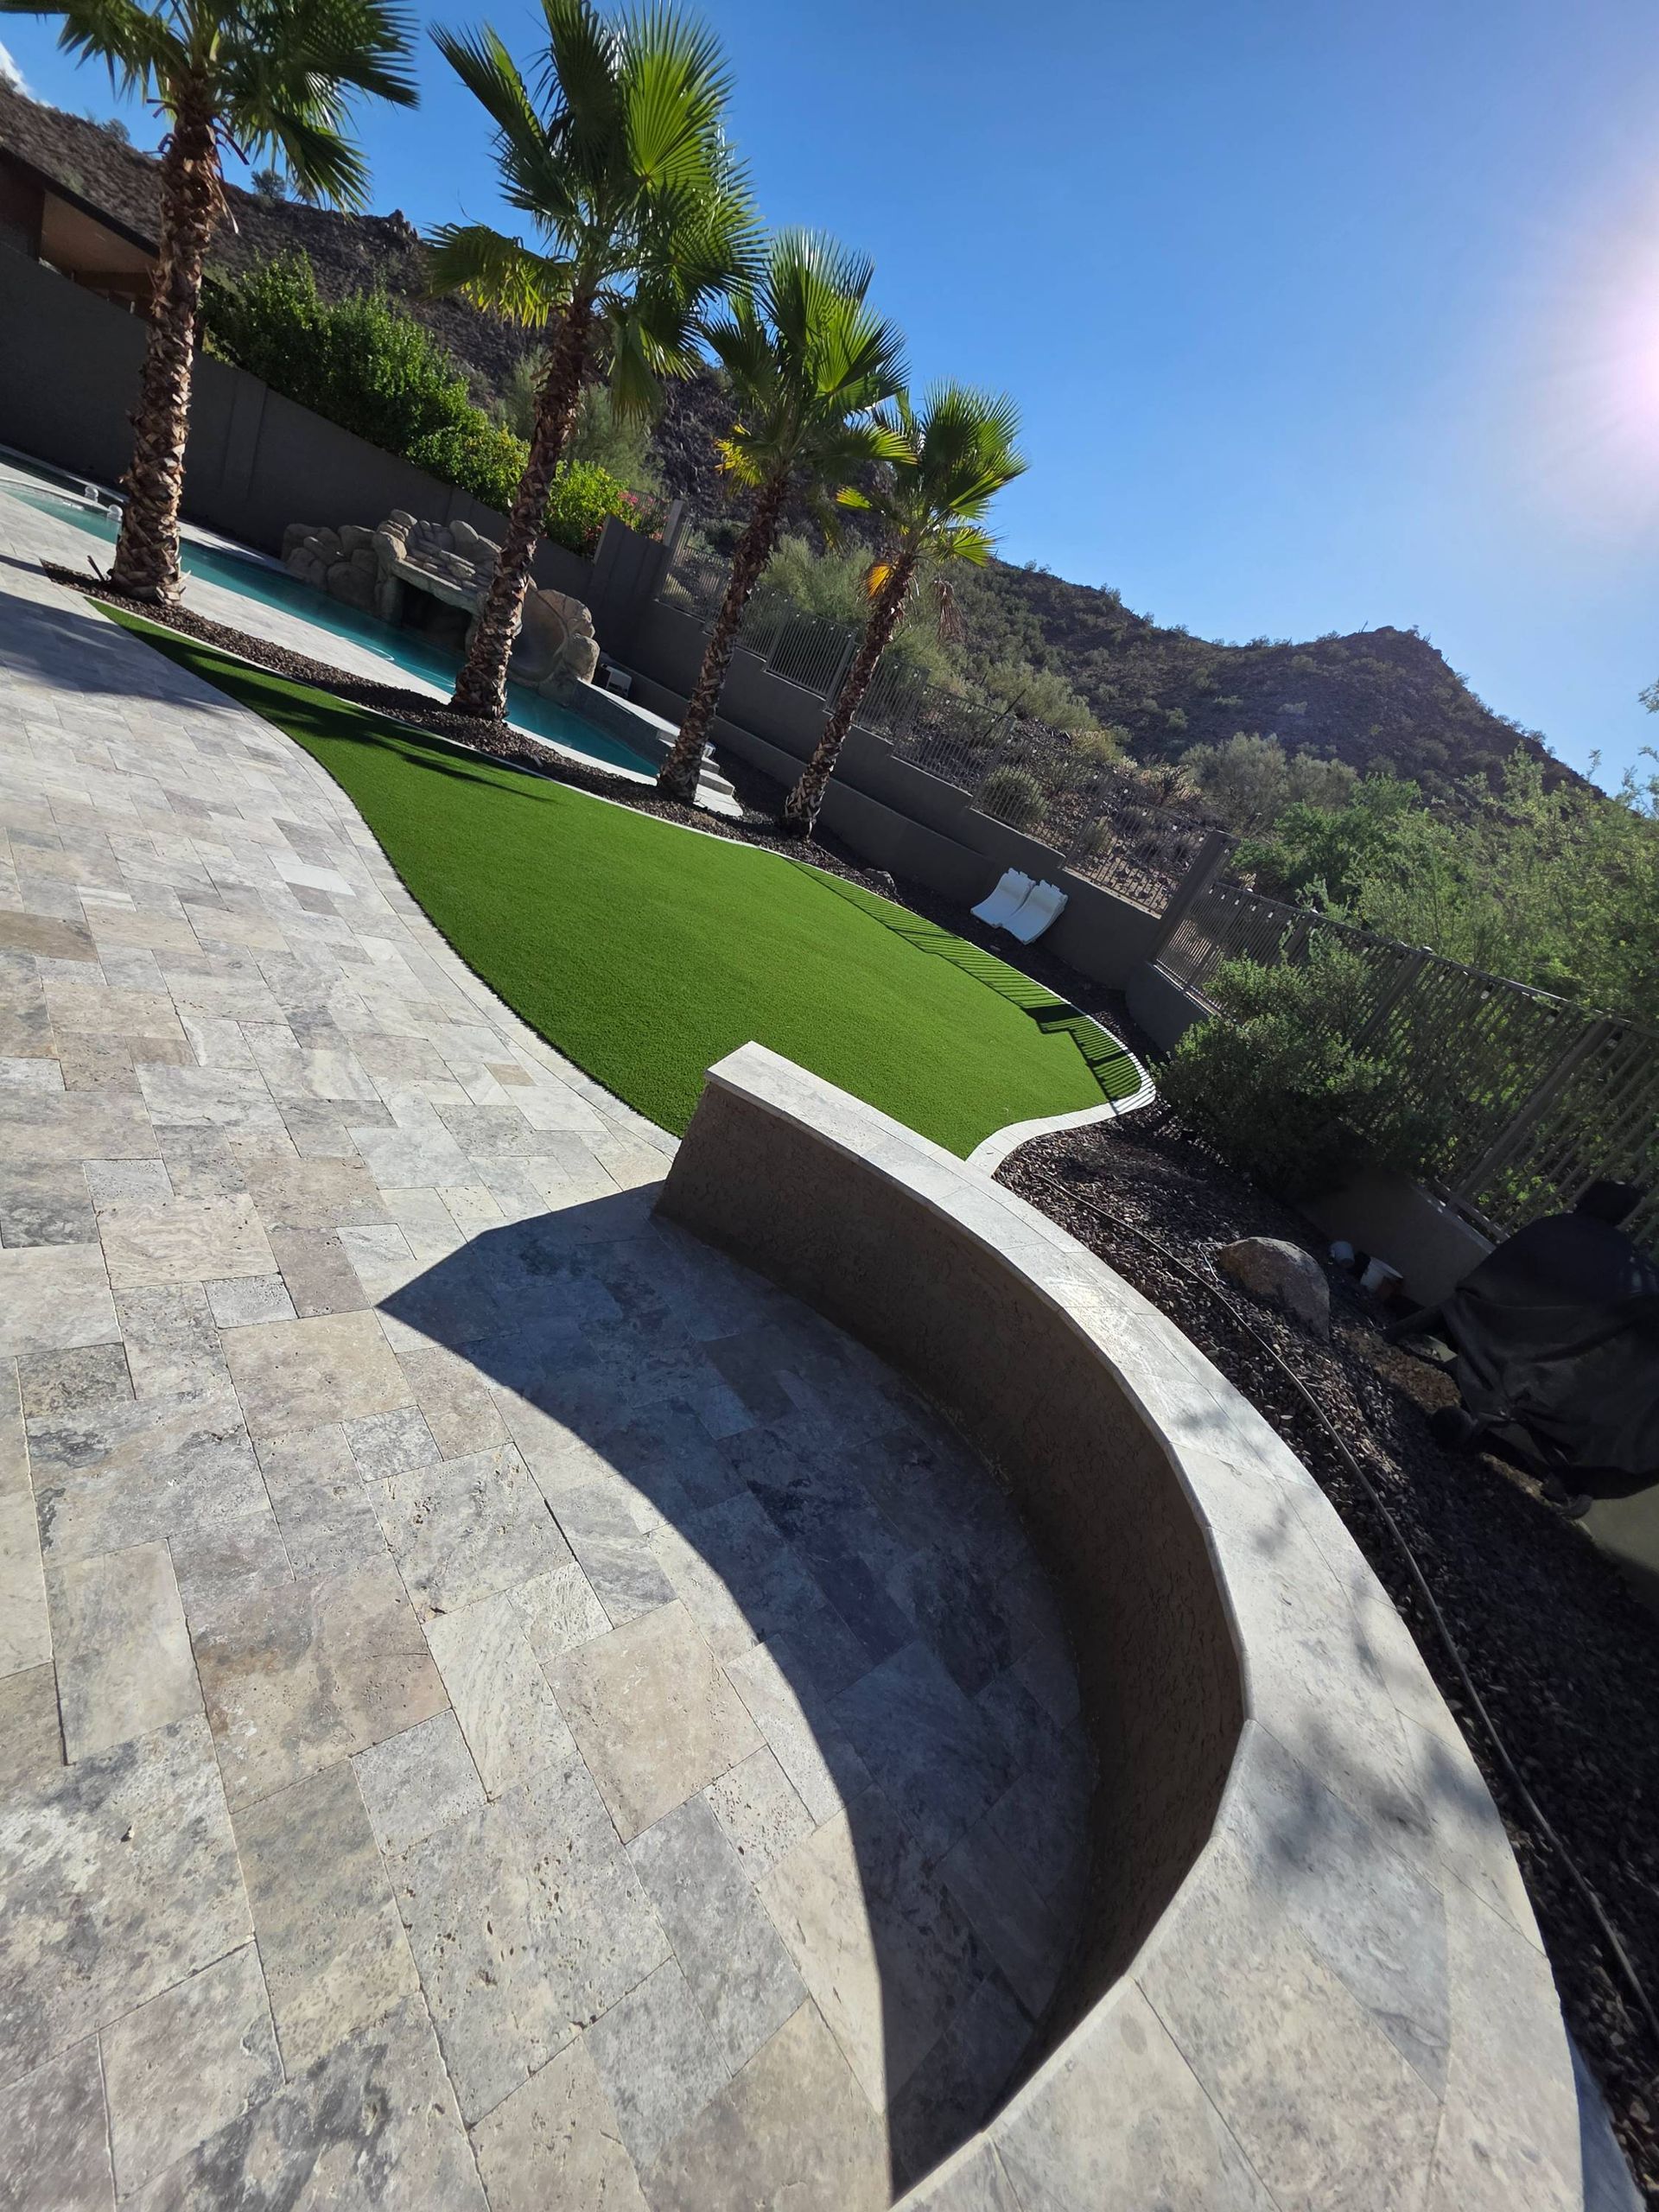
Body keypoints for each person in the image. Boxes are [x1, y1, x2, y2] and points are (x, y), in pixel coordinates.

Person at [1395, 1182, 1659, 1513]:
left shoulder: (1556, 1228)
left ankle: (1516, 1428)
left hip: (1542, 1349)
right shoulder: (1627, 1260)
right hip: (1602, 1372)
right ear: (1623, 1216)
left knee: (1516, 1339)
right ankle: (1571, 1471)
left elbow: (1494, 1280)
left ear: (1584, 1198)